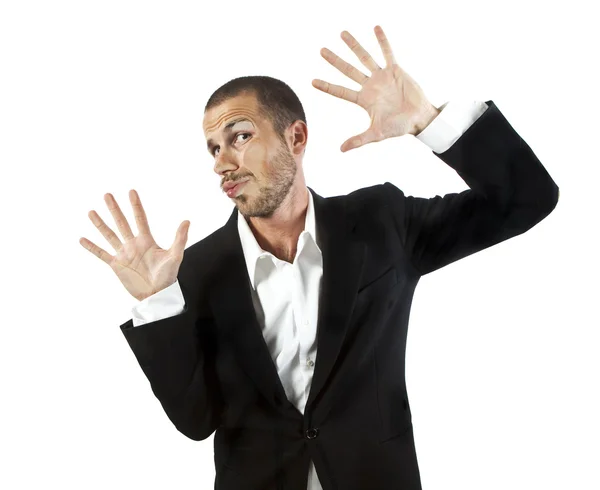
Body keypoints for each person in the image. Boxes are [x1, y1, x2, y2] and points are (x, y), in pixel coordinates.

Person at [79, 25, 559, 490]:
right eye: (214, 148)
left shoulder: (380, 222)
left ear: (296, 138)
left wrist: (427, 120)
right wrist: (157, 304)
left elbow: (527, 199)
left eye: (240, 136)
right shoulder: (195, 270)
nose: (222, 161)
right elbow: (195, 420)